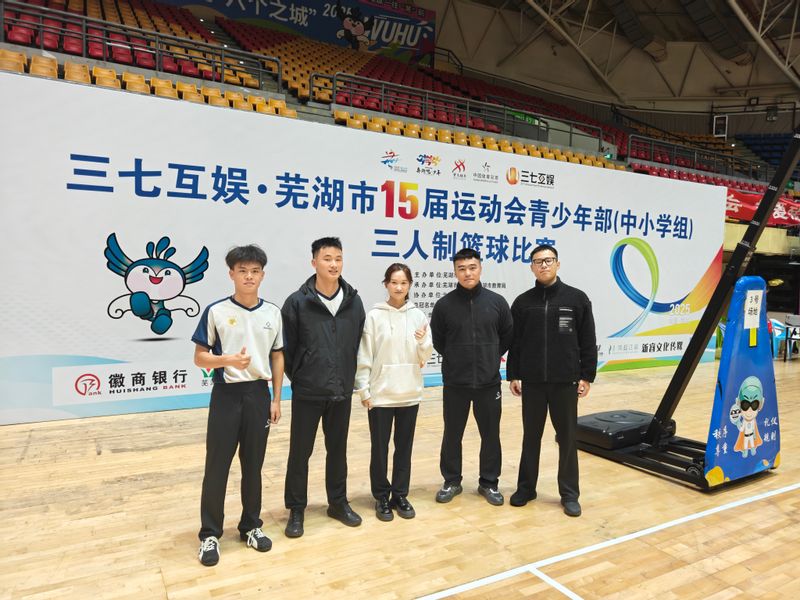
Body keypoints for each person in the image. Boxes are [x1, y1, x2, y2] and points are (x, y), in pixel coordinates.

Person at [192, 244, 284, 567]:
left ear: (262, 275)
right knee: (217, 466)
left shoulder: (272, 313)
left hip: (259, 395)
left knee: (253, 465)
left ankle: (251, 526)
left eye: (254, 271)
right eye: (242, 271)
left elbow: (277, 356)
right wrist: (227, 360)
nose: (248, 277)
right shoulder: (216, 311)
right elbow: (199, 357)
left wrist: (276, 398)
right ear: (231, 274)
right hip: (226, 396)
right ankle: (210, 534)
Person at [282, 237, 366, 537]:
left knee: (338, 451)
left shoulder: (353, 301)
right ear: (314, 262)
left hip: (341, 391)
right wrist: (302, 376)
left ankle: (338, 503)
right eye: (327, 258)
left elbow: (357, 344)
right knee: (300, 453)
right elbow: (287, 349)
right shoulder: (297, 302)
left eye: (338, 258)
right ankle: (296, 510)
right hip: (308, 391)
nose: (333, 264)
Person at [506, 244, 597, 517]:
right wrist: (513, 374)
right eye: (538, 262)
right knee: (530, 437)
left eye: (548, 260)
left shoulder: (577, 299)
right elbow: (515, 343)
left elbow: (587, 340)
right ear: (532, 267)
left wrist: (587, 375)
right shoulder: (523, 302)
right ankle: (526, 488)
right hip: (532, 383)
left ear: (558, 263)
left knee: (567, 439)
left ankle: (569, 494)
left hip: (565, 382)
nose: (543, 265)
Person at [430, 248, 514, 506]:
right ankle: (451, 481)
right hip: (455, 383)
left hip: (489, 383)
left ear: (480, 268)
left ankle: (489, 482)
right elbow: (439, 341)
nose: (467, 273)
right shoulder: (444, 305)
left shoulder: (497, 302)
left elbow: (507, 336)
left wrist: (489, 357)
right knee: (452, 434)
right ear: (455, 272)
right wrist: (458, 359)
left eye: (472, 267)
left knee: (490, 435)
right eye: (462, 268)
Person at [355, 263, 433, 521]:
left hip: (409, 392)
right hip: (380, 395)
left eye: (404, 283)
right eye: (394, 282)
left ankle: (400, 494)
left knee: (404, 448)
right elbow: (365, 355)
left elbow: (425, 356)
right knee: (379, 449)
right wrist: (364, 390)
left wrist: (422, 341)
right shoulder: (374, 316)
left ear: (410, 285)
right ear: (386, 284)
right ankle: (381, 496)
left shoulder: (418, 316)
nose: (399, 287)